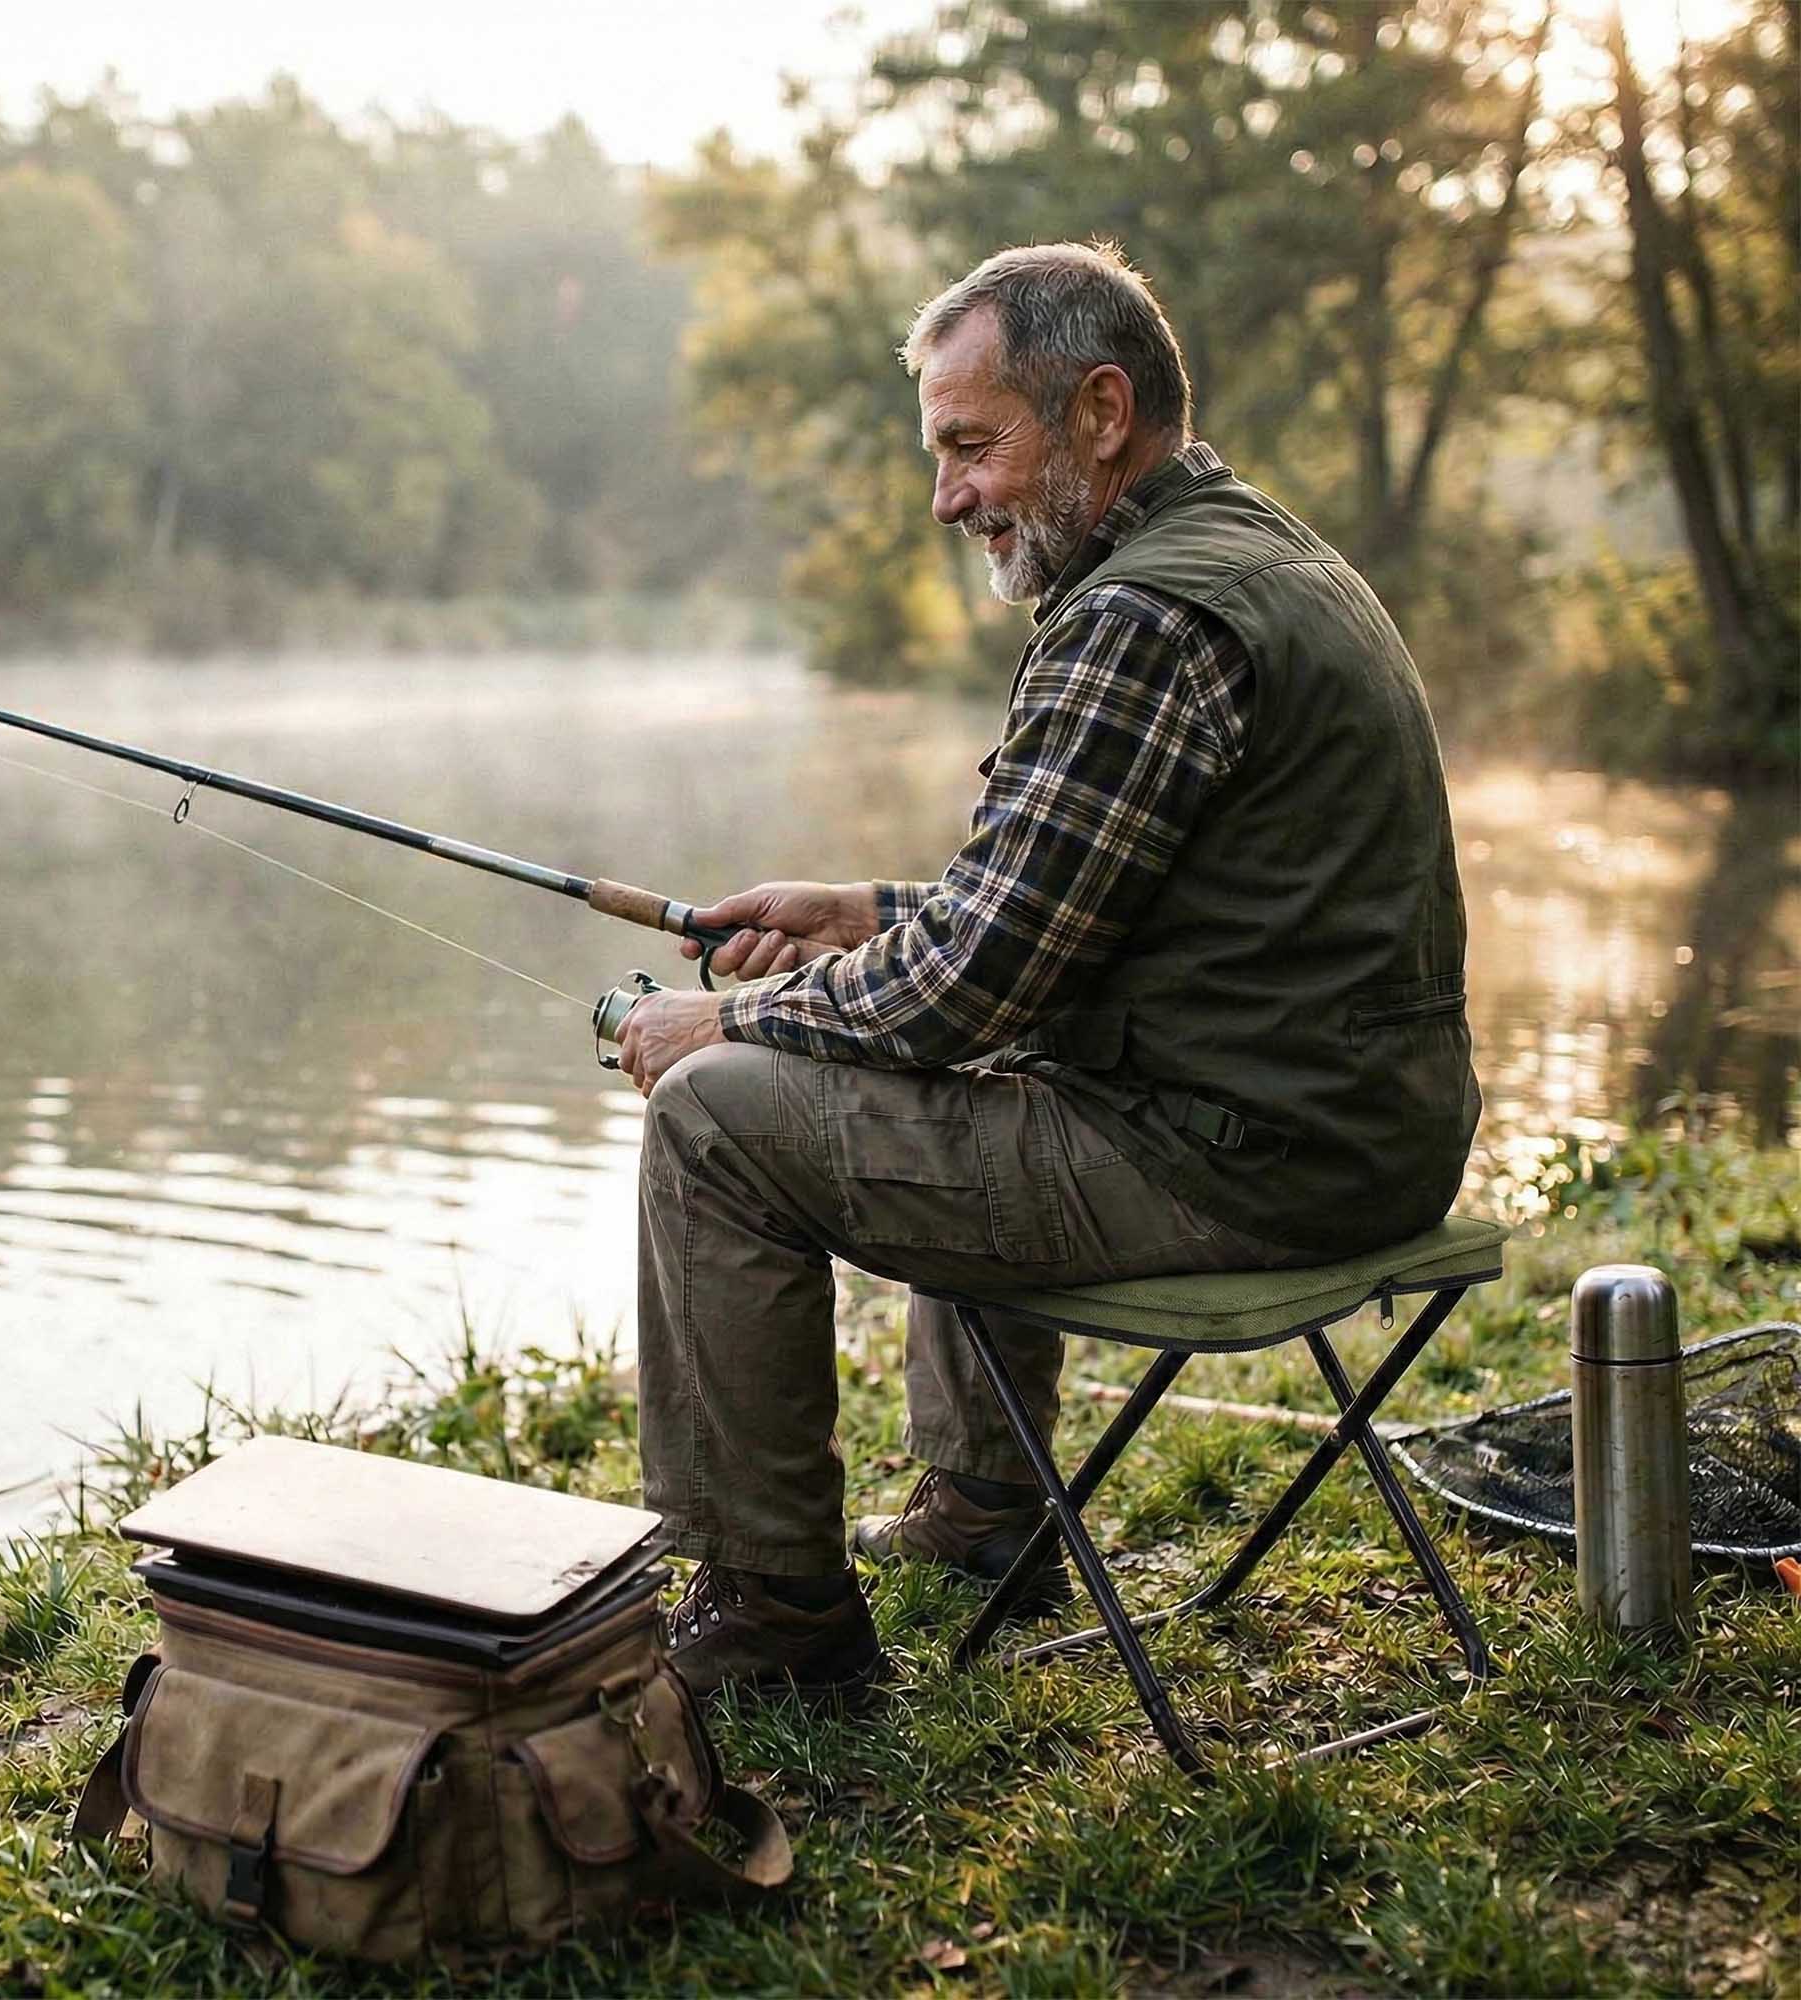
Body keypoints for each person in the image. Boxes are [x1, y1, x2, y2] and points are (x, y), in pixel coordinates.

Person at [613, 242, 1480, 1700]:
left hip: (1250, 1161)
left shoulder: (1140, 619)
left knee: (714, 1119)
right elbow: (1081, 915)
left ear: (1096, 410)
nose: (948, 497)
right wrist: (861, 913)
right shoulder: (1256, 550)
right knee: (963, 1050)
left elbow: (971, 990)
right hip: (1358, 1131)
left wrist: (726, 1019)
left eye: (970, 446)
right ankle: (982, 1520)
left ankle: (776, 1618)